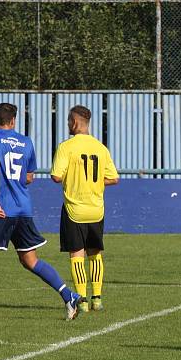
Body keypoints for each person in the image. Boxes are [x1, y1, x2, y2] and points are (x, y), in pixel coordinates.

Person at [0, 103, 83, 323]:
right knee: (30, 260)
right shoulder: (26, 142)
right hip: (24, 208)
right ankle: (69, 296)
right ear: (13, 121)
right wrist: (6, 184)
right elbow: (29, 177)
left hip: (2, 208)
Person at [51, 105, 119, 313]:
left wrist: (74, 179)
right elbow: (114, 178)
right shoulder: (100, 147)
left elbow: (56, 176)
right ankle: (97, 298)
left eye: (68, 121)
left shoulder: (66, 146)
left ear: (74, 122)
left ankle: (81, 300)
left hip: (75, 209)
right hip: (96, 209)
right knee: (95, 253)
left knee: (77, 255)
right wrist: (96, 183)